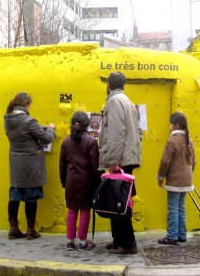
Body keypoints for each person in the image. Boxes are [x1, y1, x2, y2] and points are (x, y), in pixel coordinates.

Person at [99, 71, 142, 255]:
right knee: (119, 202)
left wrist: (114, 160)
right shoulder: (128, 102)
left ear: (108, 84)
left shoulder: (115, 102)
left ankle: (127, 243)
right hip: (127, 157)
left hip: (120, 160)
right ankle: (118, 239)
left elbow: (116, 132)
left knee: (120, 203)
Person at [4, 92, 56, 240]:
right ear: (26, 105)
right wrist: (51, 128)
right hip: (30, 163)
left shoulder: (8, 118)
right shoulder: (29, 121)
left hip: (15, 163)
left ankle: (13, 229)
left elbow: (23, 133)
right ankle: (31, 230)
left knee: (14, 195)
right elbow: (46, 138)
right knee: (31, 196)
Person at [59, 111, 100, 251]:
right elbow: (95, 167)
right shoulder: (91, 141)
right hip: (86, 182)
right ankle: (83, 242)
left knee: (72, 210)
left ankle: (70, 241)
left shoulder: (65, 142)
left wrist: (63, 182)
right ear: (87, 124)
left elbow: (62, 165)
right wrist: (98, 185)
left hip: (71, 180)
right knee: (84, 211)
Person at [156, 112, 196, 245]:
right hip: (186, 179)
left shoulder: (172, 141)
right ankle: (181, 234)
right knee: (181, 207)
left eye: (171, 123)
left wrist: (160, 176)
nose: (169, 126)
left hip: (174, 180)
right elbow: (194, 162)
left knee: (173, 208)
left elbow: (165, 162)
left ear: (176, 125)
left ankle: (172, 235)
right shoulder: (190, 141)